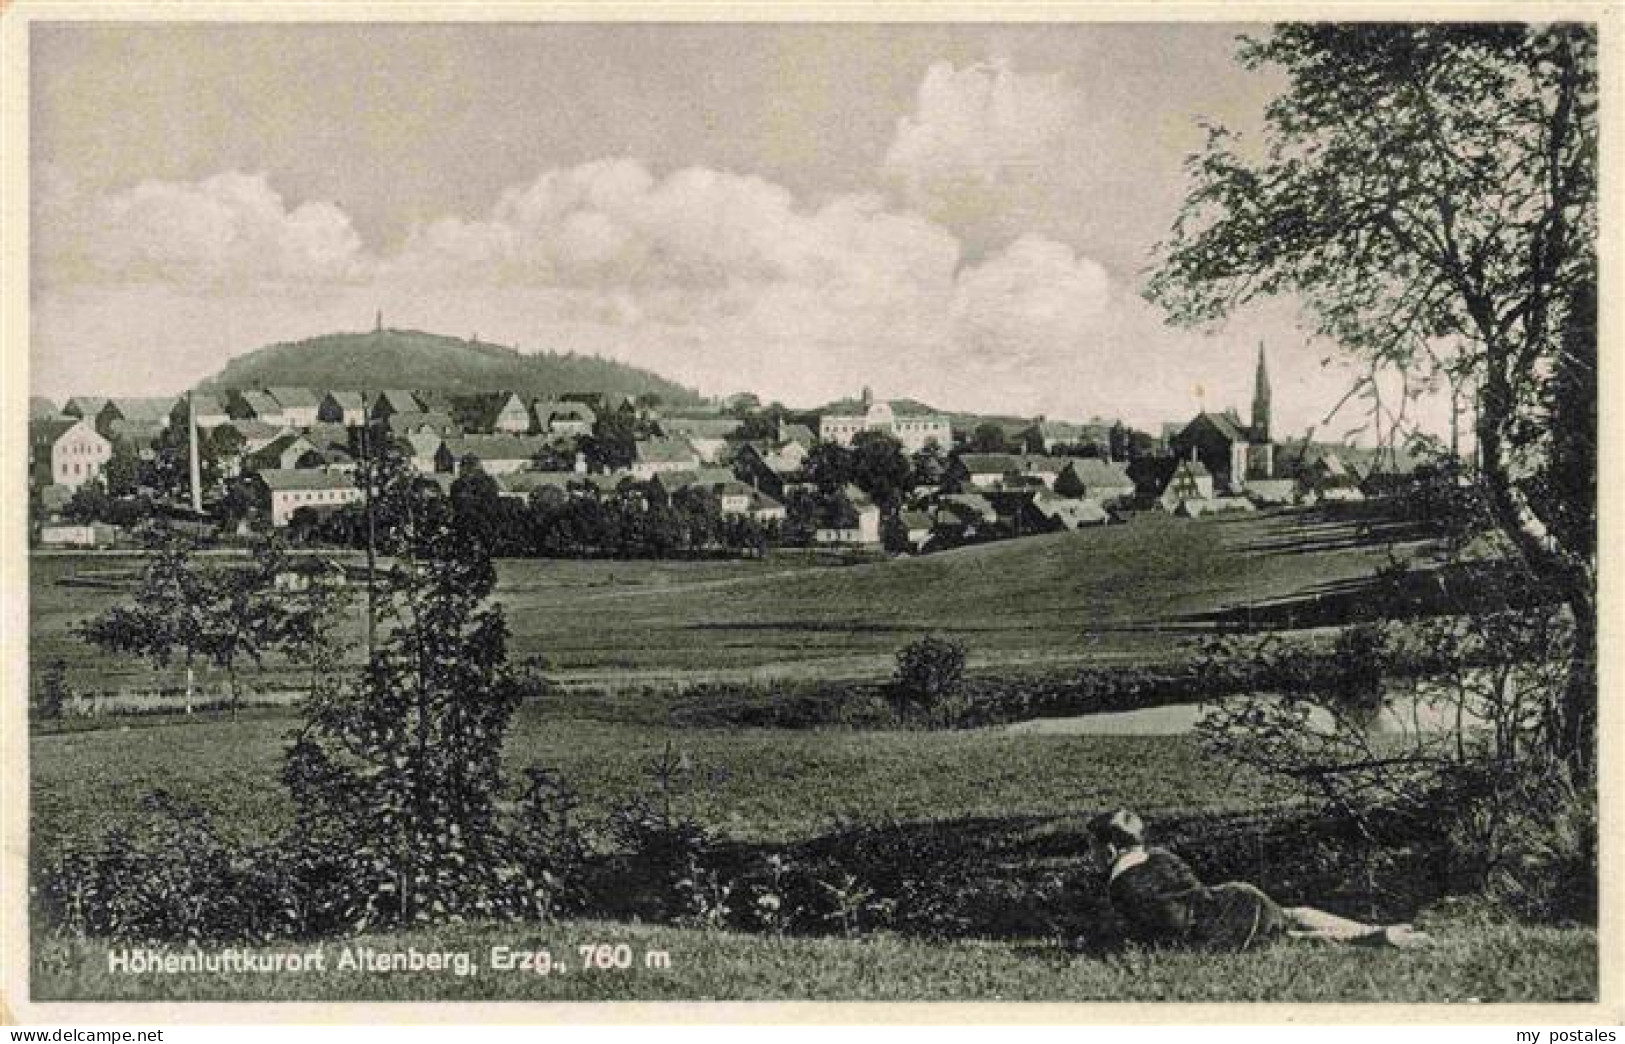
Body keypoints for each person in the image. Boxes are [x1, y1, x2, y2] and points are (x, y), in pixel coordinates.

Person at [1085, 809, 1431, 952]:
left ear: (1111, 849)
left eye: (1093, 849)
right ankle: (1375, 930)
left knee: (1290, 938)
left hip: (1216, 924)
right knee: (1293, 915)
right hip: (1236, 897)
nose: (1092, 856)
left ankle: (1377, 938)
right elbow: (1191, 892)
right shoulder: (1160, 856)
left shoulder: (1122, 884)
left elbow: (1169, 922)